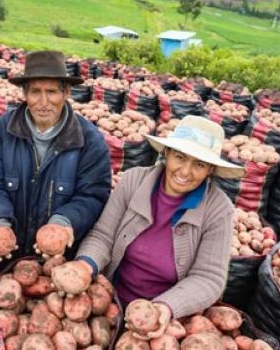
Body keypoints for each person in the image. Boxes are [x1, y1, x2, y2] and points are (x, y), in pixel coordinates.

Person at [74, 115, 243, 330]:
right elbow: (103, 236)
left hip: (167, 319)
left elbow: (209, 278)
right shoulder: (133, 181)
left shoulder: (218, 209)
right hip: (109, 303)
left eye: (199, 164)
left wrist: (164, 309)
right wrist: (85, 265)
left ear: (210, 170)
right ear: (167, 153)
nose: (185, 171)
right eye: (180, 157)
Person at [0, 50, 111, 258]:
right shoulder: (1, 131)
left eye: (51, 92)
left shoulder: (90, 141)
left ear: (66, 93)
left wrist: (65, 221)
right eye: (35, 92)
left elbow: (93, 195)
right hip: (6, 253)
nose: (43, 102)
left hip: (58, 259)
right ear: (25, 93)